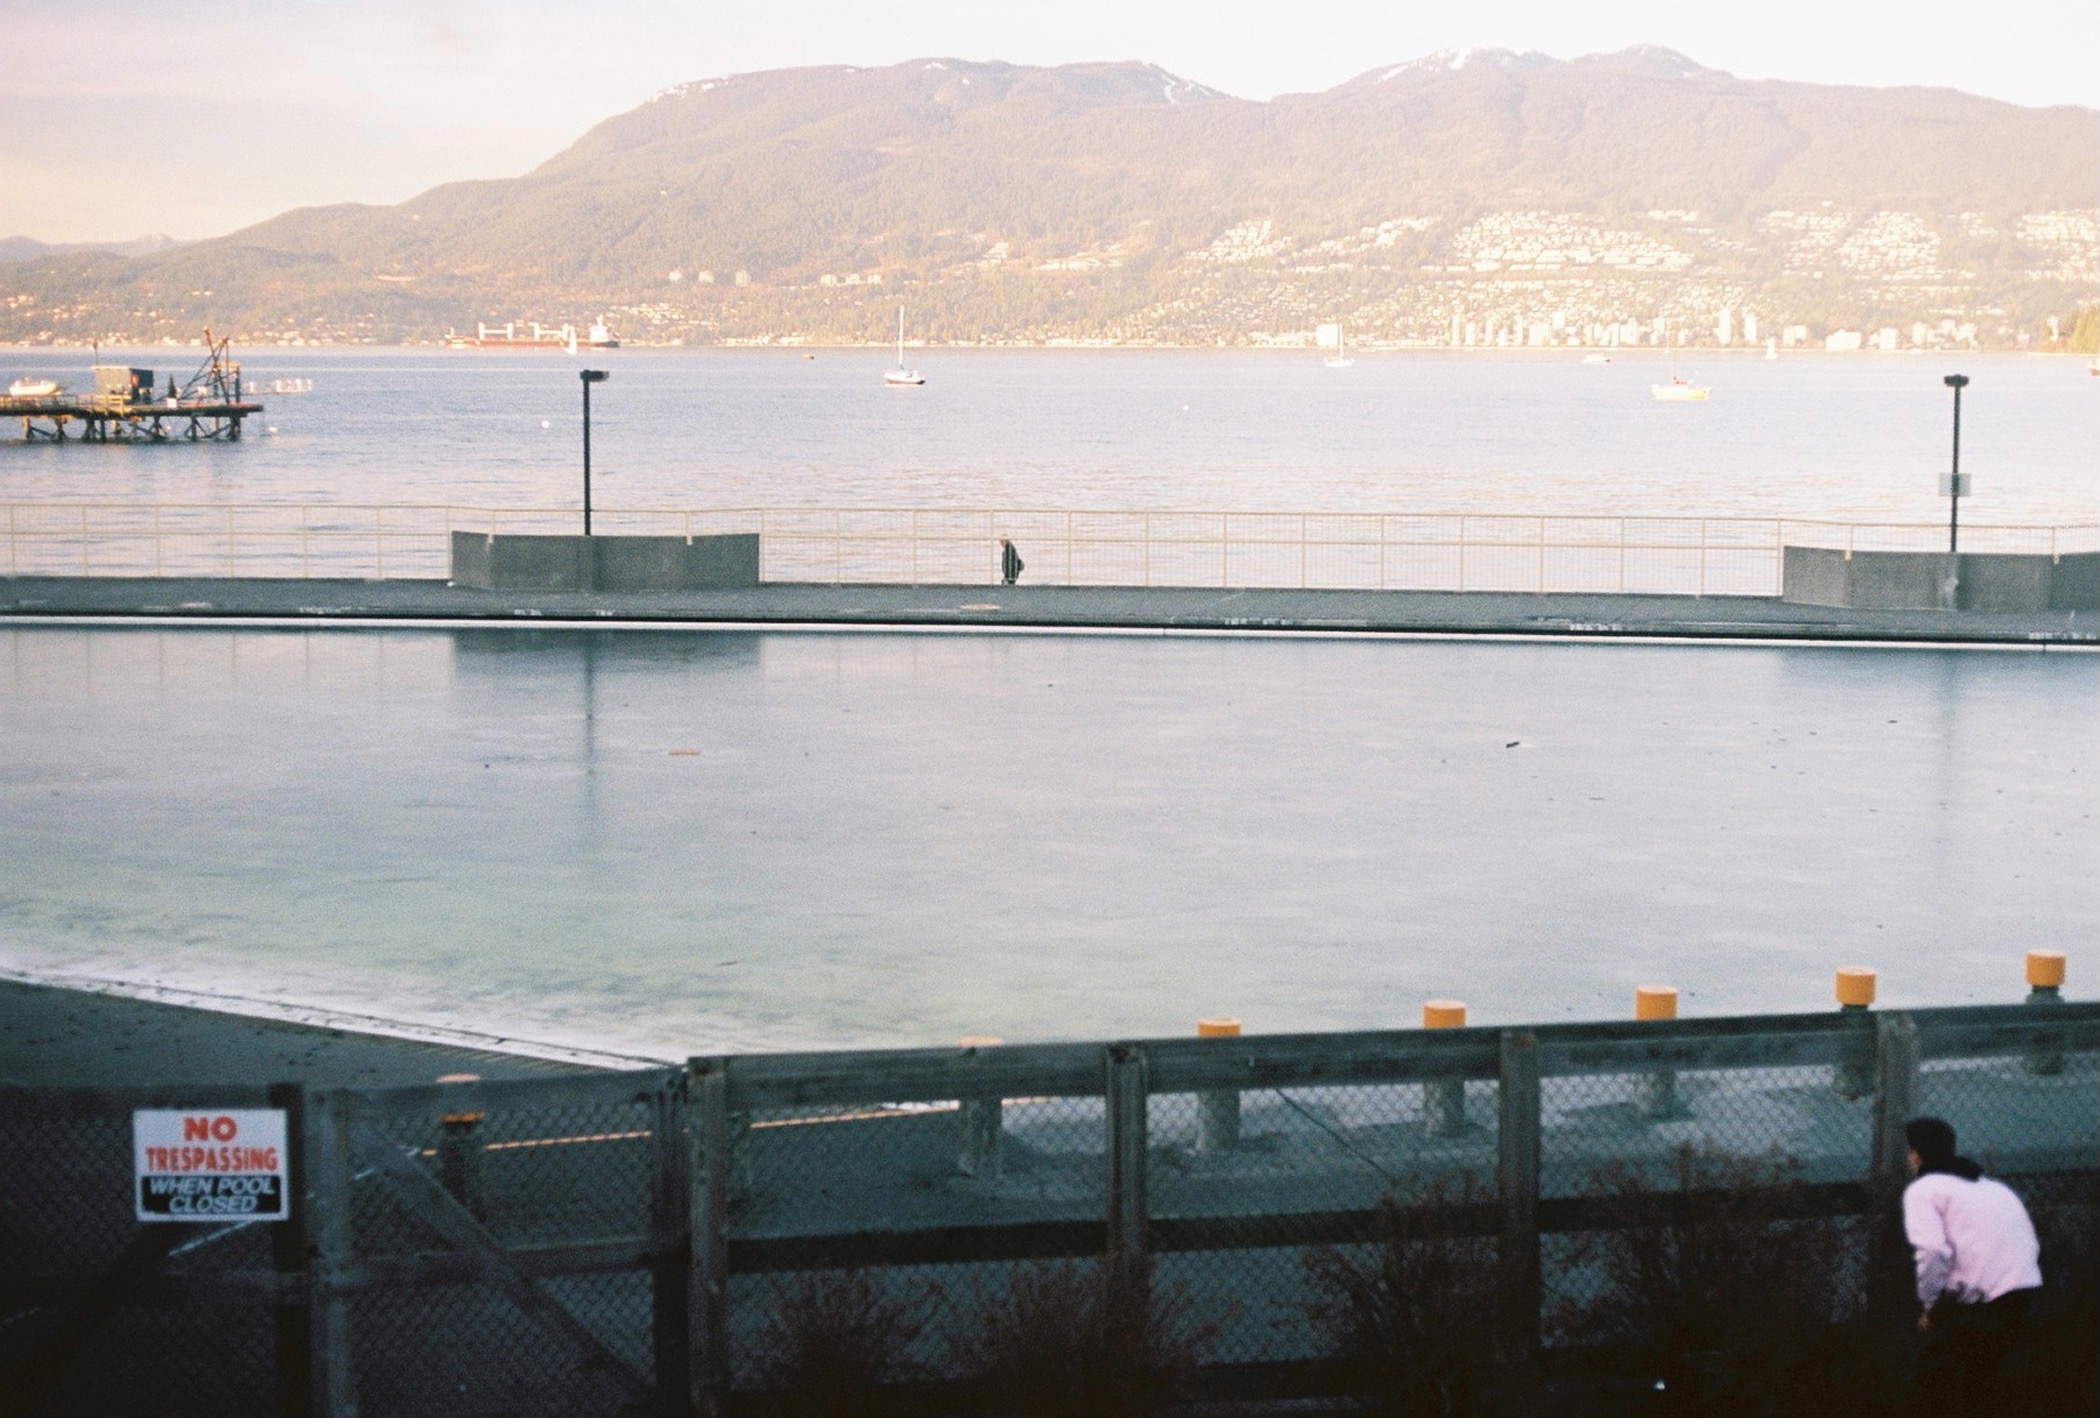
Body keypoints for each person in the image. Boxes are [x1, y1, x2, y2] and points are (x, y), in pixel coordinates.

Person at [1902, 1116, 2042, 1418]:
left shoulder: (1923, 1189)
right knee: (1980, 1383)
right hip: (2021, 1291)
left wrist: (1930, 1307)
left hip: (1979, 1300)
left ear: (1915, 1155)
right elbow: (2025, 1241)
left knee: (1930, 1380)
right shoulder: (1992, 1187)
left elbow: (1931, 1250)